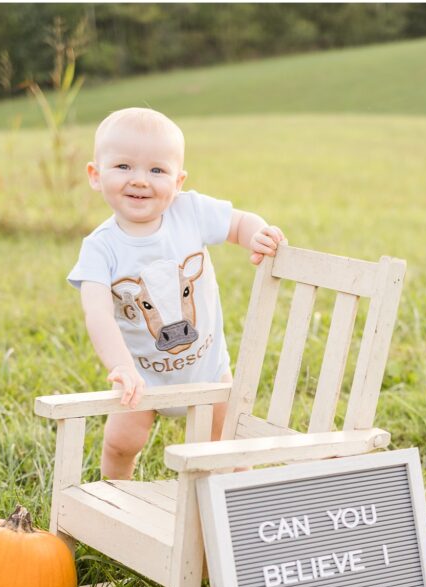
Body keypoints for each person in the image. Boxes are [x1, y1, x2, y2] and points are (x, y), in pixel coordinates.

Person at [68, 107, 286, 480]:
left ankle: (241, 496)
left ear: (179, 180)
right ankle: (116, 497)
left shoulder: (191, 212)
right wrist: (121, 367)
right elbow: (98, 313)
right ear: (95, 174)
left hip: (208, 368)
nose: (140, 180)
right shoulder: (100, 248)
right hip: (141, 377)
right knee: (122, 442)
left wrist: (257, 233)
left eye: (157, 170)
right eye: (123, 167)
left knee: (228, 438)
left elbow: (237, 223)